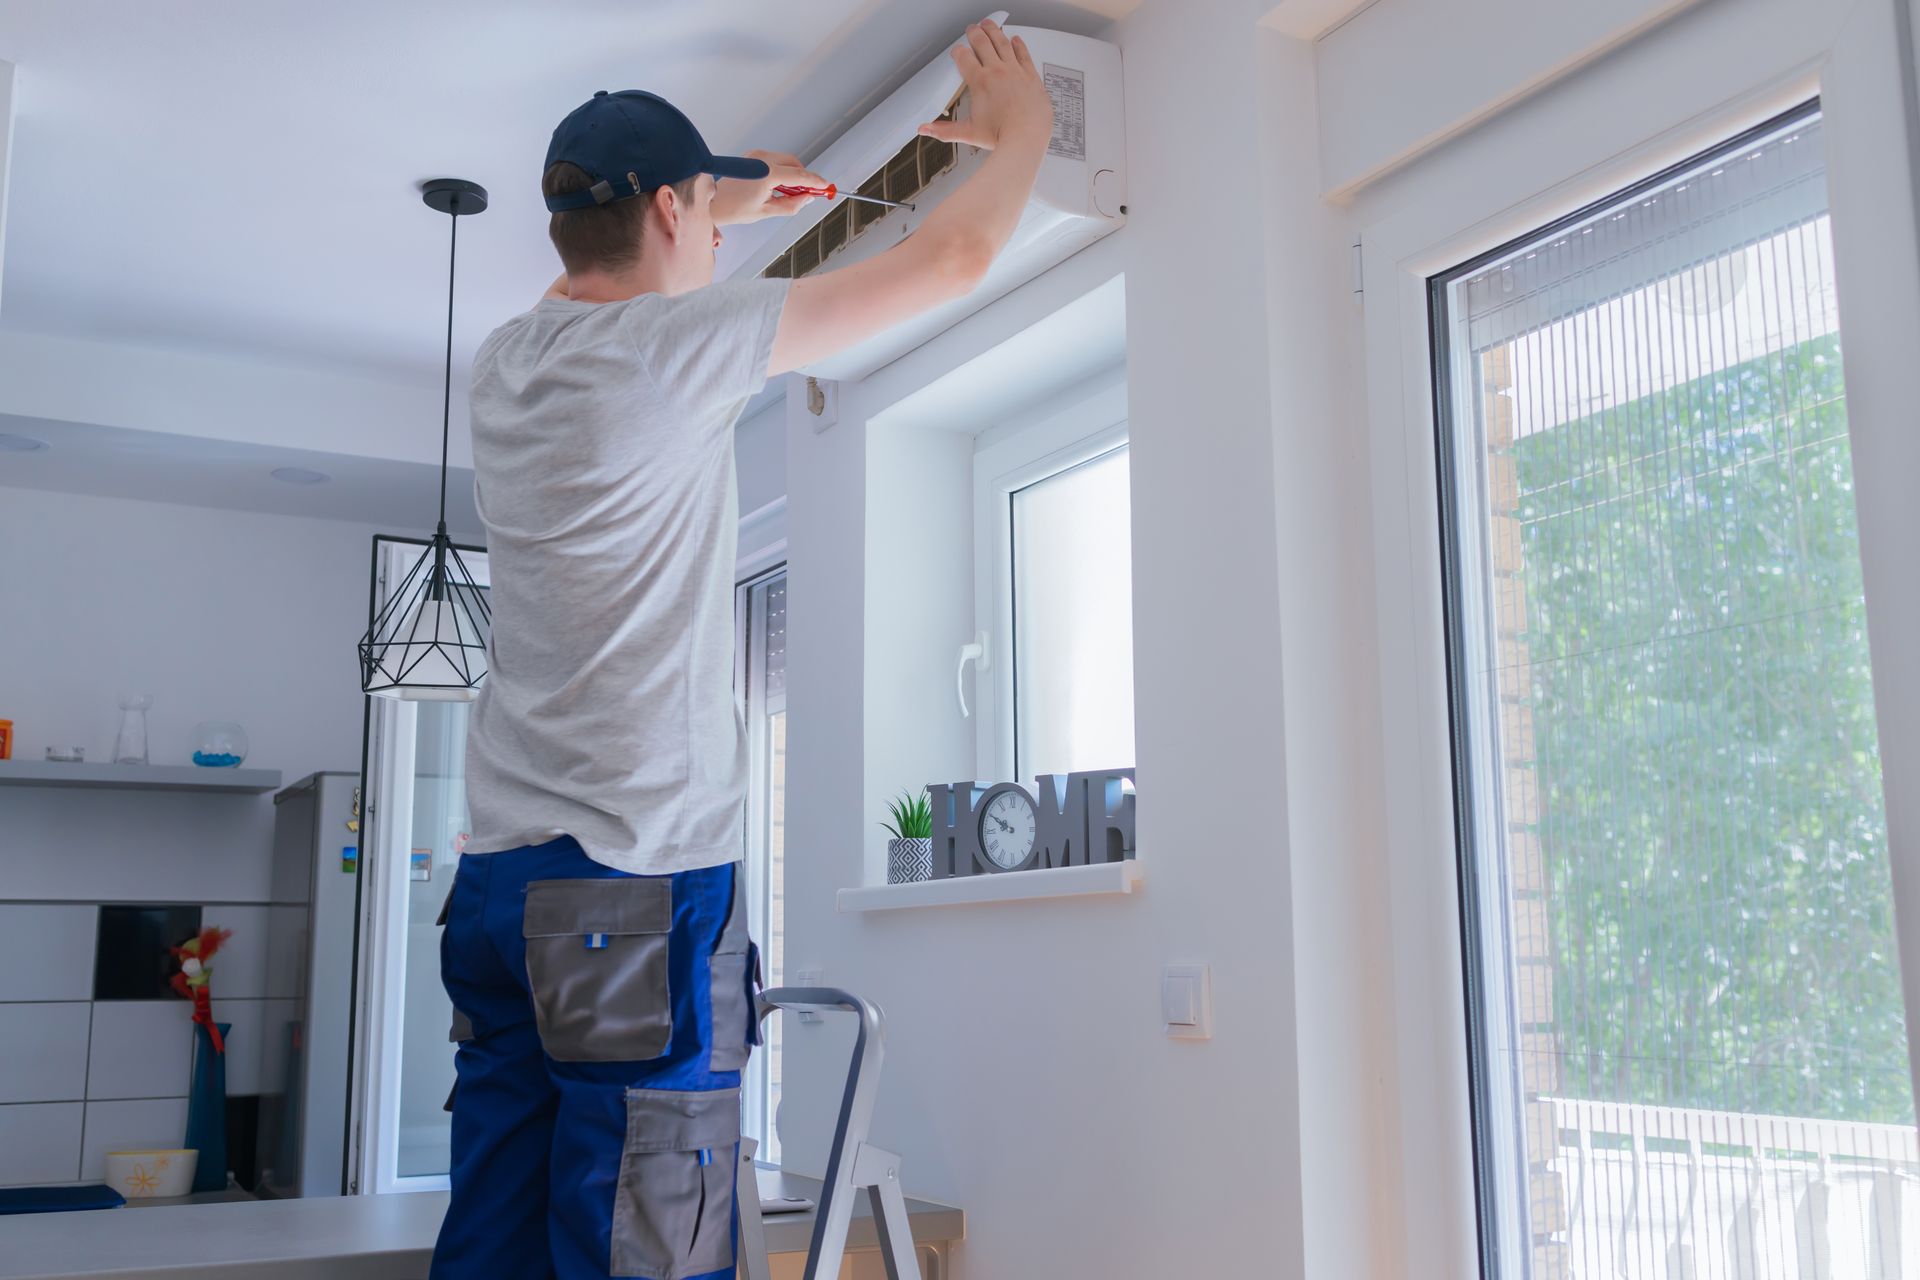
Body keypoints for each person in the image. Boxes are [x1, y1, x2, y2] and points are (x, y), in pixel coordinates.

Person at [432, 20, 1053, 1280]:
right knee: (646, 1244)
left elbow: (646, 275)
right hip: (628, 884)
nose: (718, 231)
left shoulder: (504, 365)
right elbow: (956, 255)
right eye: (700, 211)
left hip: (499, 888)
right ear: (667, 208)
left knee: (495, 1237)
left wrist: (728, 197)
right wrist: (1024, 123)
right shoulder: (674, 350)